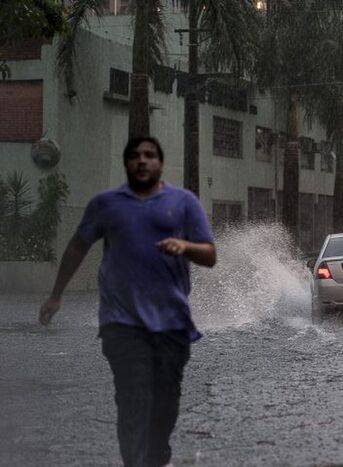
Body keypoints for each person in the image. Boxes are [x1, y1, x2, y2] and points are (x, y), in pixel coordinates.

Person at [38, 136, 216, 467]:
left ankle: (156, 456)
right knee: (133, 401)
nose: (142, 161)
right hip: (121, 324)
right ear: (126, 164)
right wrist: (56, 295)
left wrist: (185, 246)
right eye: (135, 156)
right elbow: (78, 246)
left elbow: (209, 254)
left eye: (149, 155)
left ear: (160, 163)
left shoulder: (184, 202)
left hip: (172, 324)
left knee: (164, 404)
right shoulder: (105, 204)